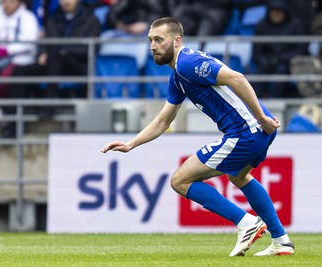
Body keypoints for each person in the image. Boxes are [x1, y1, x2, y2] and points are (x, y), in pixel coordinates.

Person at [101, 17, 294, 257]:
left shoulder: (188, 63)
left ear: (177, 40)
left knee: (180, 180)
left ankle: (246, 223)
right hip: (258, 131)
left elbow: (237, 78)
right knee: (239, 177)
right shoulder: (178, 77)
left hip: (247, 131)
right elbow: (163, 121)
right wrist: (131, 144)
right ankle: (281, 241)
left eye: (159, 40)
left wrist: (261, 118)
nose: (153, 46)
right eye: (150, 40)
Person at [0, 0, 101, 138]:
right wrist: (42, 53)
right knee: (19, 71)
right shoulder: (53, 18)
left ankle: (48, 104)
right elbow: (47, 43)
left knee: (57, 55)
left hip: (76, 65)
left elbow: (89, 49)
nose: (66, 1)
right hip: (52, 62)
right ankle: (13, 123)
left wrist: (65, 51)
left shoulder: (90, 20)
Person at [252, 0, 306, 98]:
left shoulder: (295, 25)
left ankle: (275, 100)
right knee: (258, 72)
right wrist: (264, 60)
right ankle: (256, 101)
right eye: (273, 11)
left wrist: (281, 58)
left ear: (285, 12)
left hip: (286, 62)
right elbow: (256, 50)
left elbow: (300, 49)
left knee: (282, 71)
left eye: (279, 11)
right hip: (267, 61)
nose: (276, 14)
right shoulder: (262, 25)